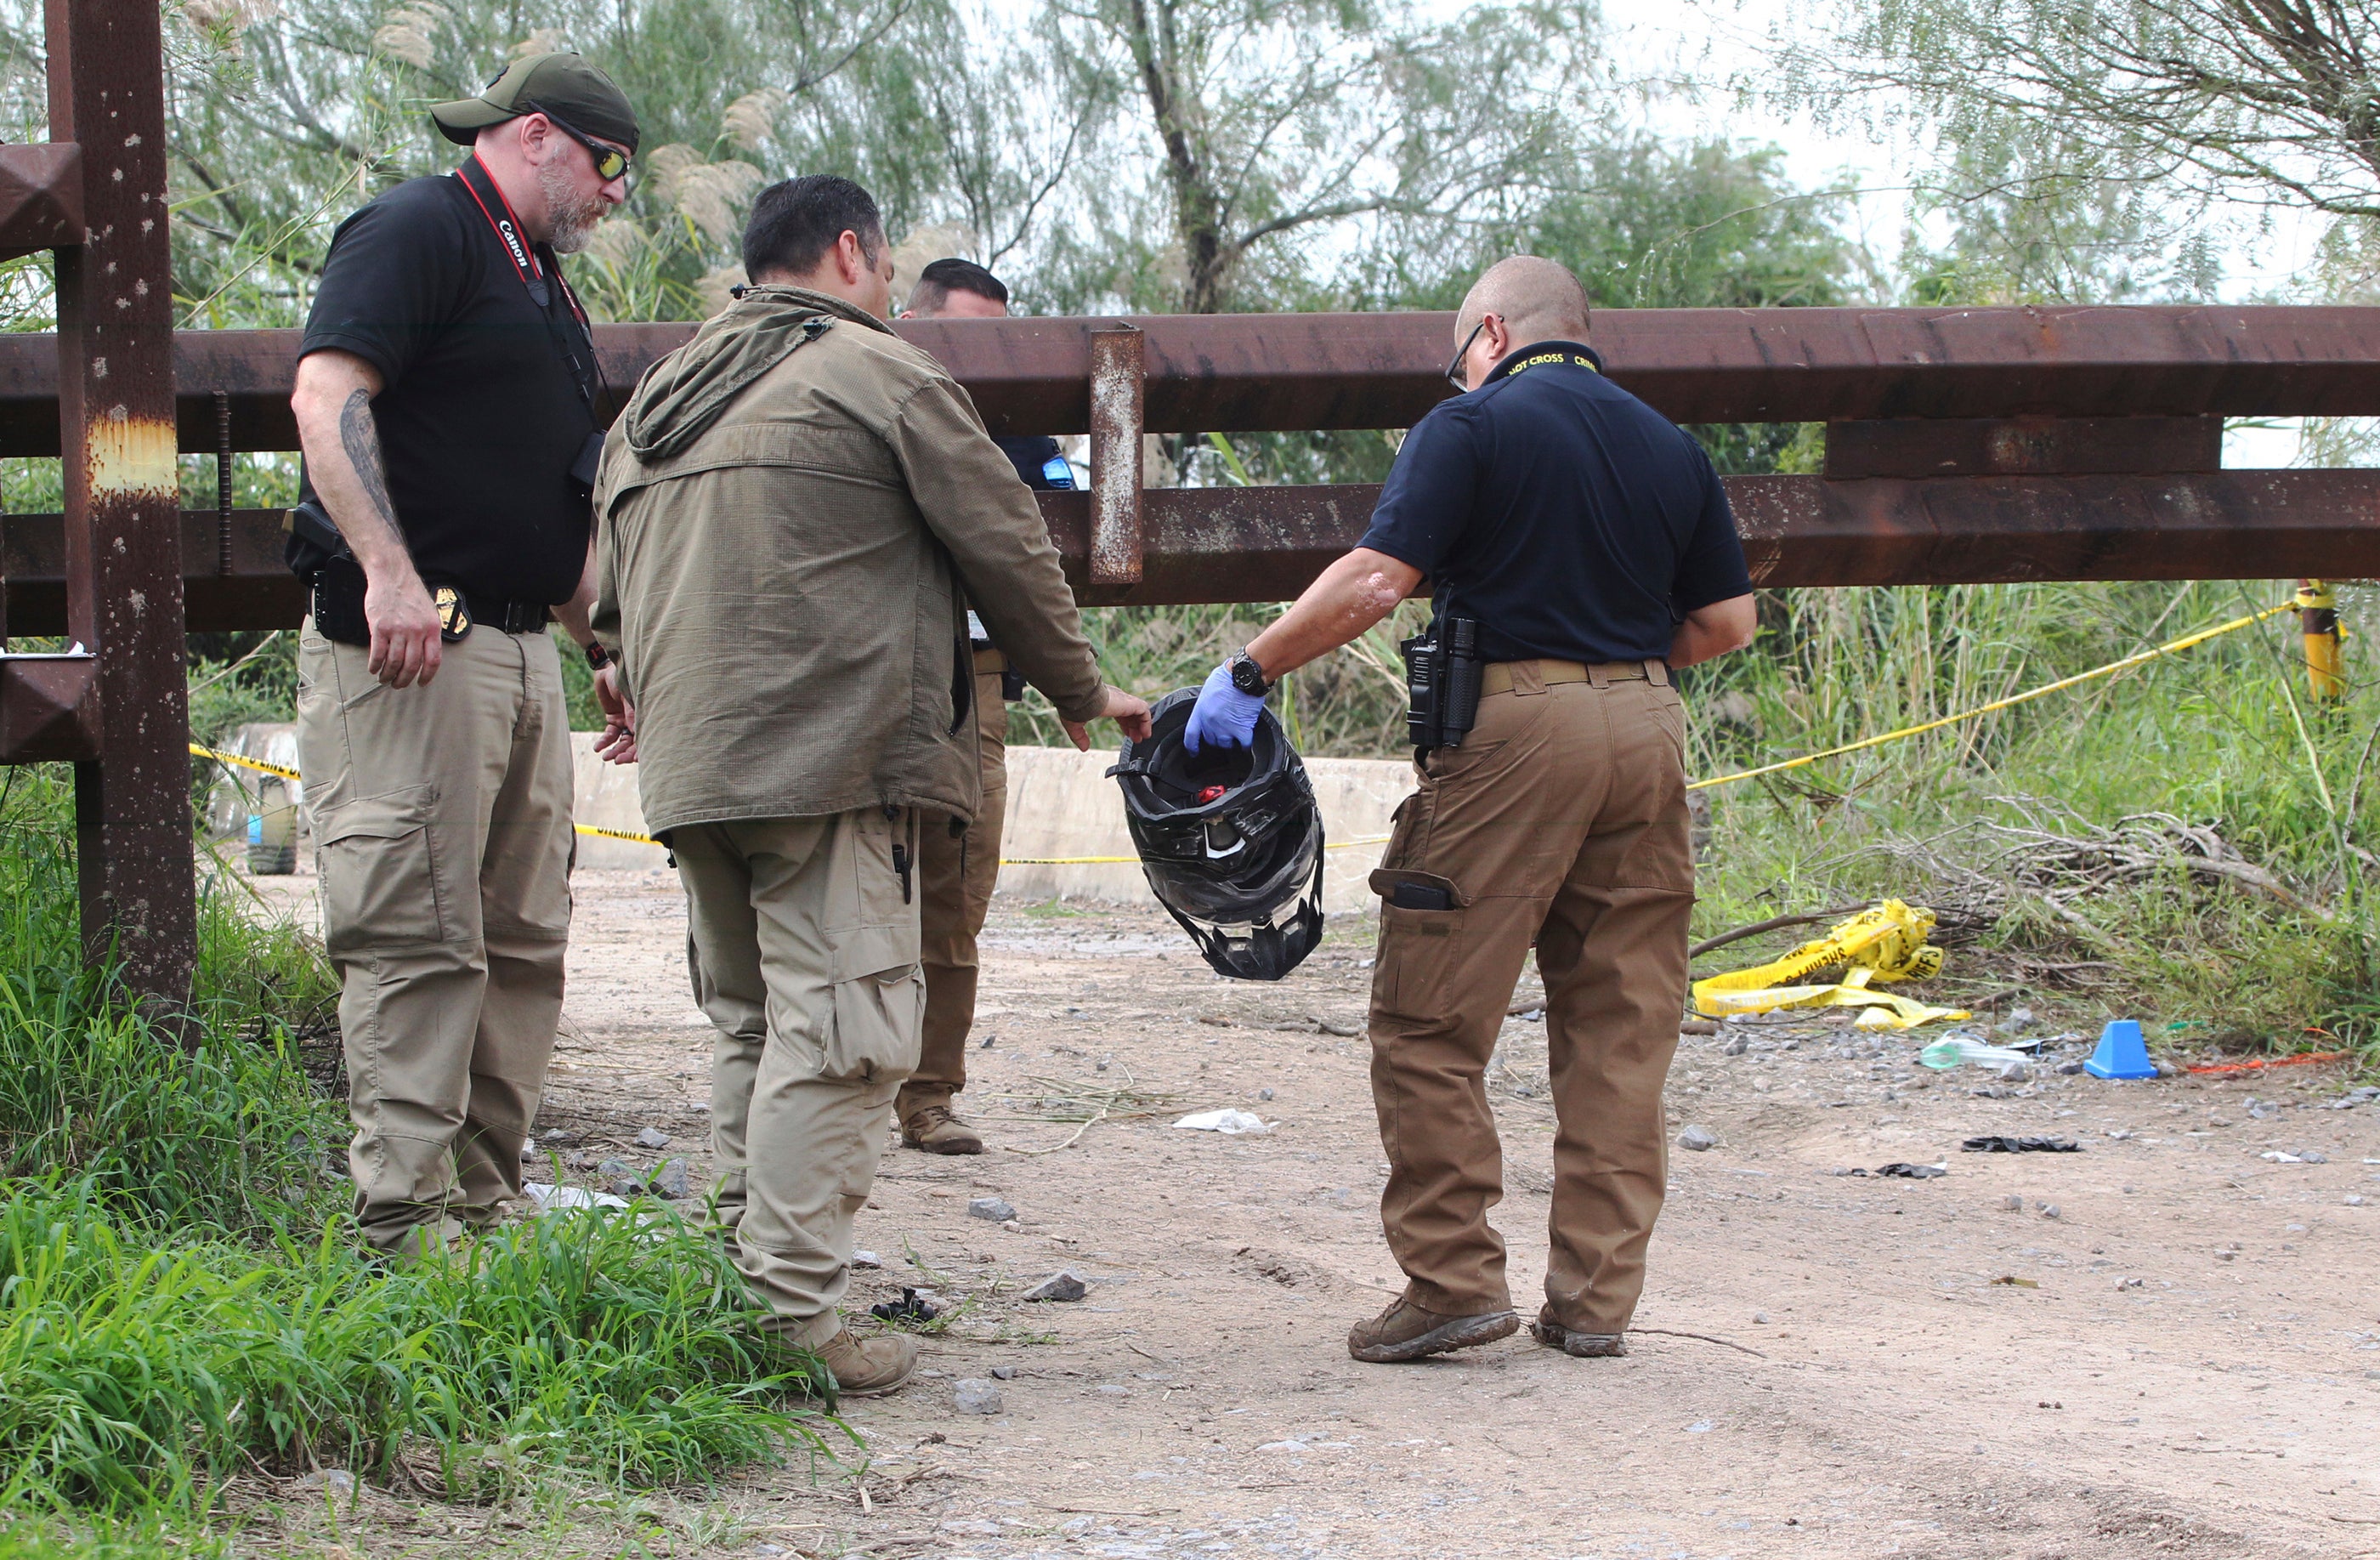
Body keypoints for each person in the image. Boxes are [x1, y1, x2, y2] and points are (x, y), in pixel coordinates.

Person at [591, 176, 1150, 1396]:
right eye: (888, 268)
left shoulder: (654, 403)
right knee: (847, 1038)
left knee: (755, 1024)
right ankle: (791, 1322)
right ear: (851, 252)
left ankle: (736, 1294)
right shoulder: (876, 372)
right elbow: (1001, 534)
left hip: (694, 764)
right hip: (829, 752)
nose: (890, 289)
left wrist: (619, 673)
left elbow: (608, 592)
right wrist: (1076, 685)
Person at [1182, 256, 1757, 1364]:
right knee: (1621, 1029)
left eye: (1462, 355)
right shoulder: (1669, 443)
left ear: (1490, 332)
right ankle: (1592, 1303)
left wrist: (1249, 672)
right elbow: (1727, 619)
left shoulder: (1472, 424)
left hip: (1516, 731)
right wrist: (1617, 666)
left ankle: (1452, 1282)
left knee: (1429, 1019)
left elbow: (1376, 580)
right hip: (1647, 727)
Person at [288, 52, 639, 1265]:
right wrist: (385, 569)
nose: (615, 198)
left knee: (520, 932)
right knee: (416, 930)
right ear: (537, 135)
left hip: (517, 641)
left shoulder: (536, 277)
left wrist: (607, 642)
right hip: (412, 639)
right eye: (609, 168)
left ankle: (486, 1208)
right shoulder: (419, 226)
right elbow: (327, 390)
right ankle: (398, 1226)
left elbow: (544, 489)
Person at [893, 257, 1077, 1154]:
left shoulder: (1021, 427)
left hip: (974, 682)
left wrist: (1067, 672)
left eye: (991, 336)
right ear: (909, 318)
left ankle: (928, 1096)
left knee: (954, 897)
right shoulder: (868, 396)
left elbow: (1051, 545)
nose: (976, 356)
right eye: (959, 331)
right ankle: (827, 1092)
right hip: (859, 672)